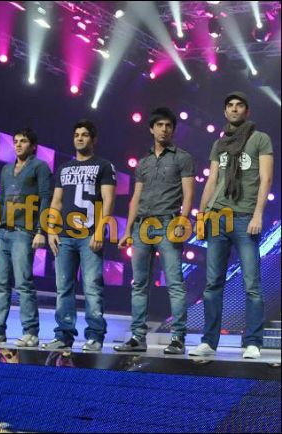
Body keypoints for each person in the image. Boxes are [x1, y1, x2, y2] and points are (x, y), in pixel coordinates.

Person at [189, 91, 273, 359]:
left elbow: (266, 178)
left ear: (247, 111)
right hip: (217, 217)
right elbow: (212, 180)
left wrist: (258, 214)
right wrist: (201, 215)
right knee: (212, 284)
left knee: (252, 285)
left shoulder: (260, 139)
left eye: (239, 106)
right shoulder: (220, 143)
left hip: (245, 216)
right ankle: (208, 341)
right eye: (230, 106)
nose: (234, 109)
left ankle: (252, 342)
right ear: (225, 112)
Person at [114, 107, 195, 355]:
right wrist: (127, 230)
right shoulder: (144, 163)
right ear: (151, 129)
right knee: (139, 284)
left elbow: (189, 194)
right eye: (159, 125)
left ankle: (178, 338)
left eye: (168, 125)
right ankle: (138, 337)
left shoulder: (182, 158)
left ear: (173, 130)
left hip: (169, 224)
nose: (164, 129)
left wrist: (182, 221)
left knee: (175, 283)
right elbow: (135, 198)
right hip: (142, 226)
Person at [0, 128, 51, 346]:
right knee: (0, 285)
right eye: (15, 141)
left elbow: (45, 199)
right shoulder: (7, 169)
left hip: (24, 232)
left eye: (23, 141)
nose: (18, 145)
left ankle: (31, 332)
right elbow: (1, 200)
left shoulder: (40, 167)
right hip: (2, 233)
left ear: (33, 146)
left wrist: (40, 231)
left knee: (23, 284)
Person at [42, 119, 116, 352]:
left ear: (94, 139)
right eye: (76, 135)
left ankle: (95, 336)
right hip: (64, 236)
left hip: (89, 235)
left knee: (92, 287)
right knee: (63, 287)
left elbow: (108, 200)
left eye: (85, 134)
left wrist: (99, 230)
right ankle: (64, 335)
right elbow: (56, 201)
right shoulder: (64, 168)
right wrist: (51, 230)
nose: (80, 138)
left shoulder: (104, 165)